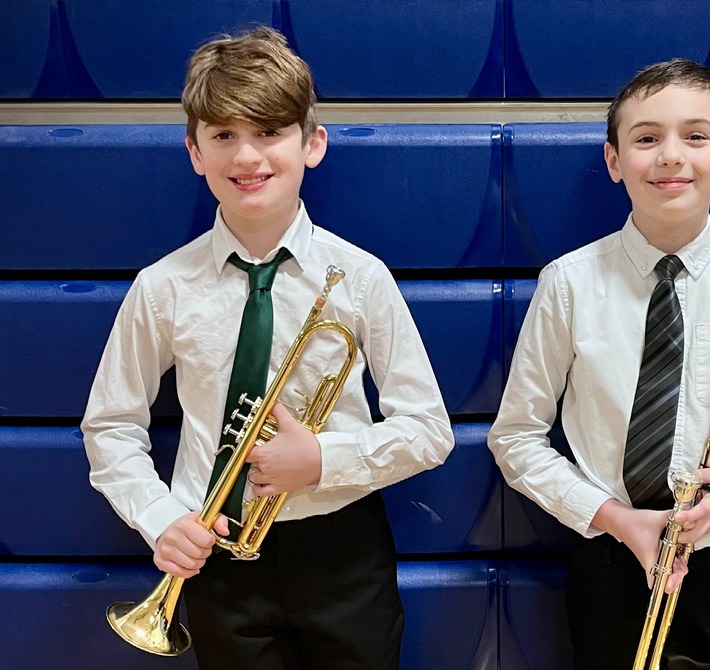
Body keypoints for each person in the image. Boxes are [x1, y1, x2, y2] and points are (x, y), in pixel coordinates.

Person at [82, 26, 454, 670]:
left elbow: (429, 430)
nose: (247, 156)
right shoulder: (162, 287)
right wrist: (159, 516)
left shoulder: (361, 276)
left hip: (343, 550)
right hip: (215, 550)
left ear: (312, 144)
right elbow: (111, 426)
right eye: (223, 135)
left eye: (270, 132)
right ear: (194, 151)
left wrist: (321, 458)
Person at [487, 59, 710, 670]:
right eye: (646, 138)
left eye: (696, 136)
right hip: (609, 558)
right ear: (614, 161)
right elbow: (516, 437)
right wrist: (614, 518)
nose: (671, 156)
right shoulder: (567, 283)